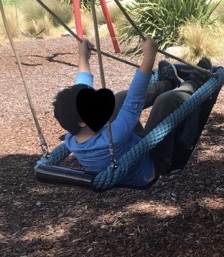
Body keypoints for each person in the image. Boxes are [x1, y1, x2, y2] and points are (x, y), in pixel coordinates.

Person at [52, 37, 213, 187]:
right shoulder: (113, 137)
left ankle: (168, 82)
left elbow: (82, 86)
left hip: (128, 150)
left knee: (118, 99)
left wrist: (83, 57)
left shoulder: (72, 137)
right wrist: (149, 56)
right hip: (152, 162)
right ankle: (193, 83)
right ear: (83, 121)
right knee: (166, 101)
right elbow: (133, 103)